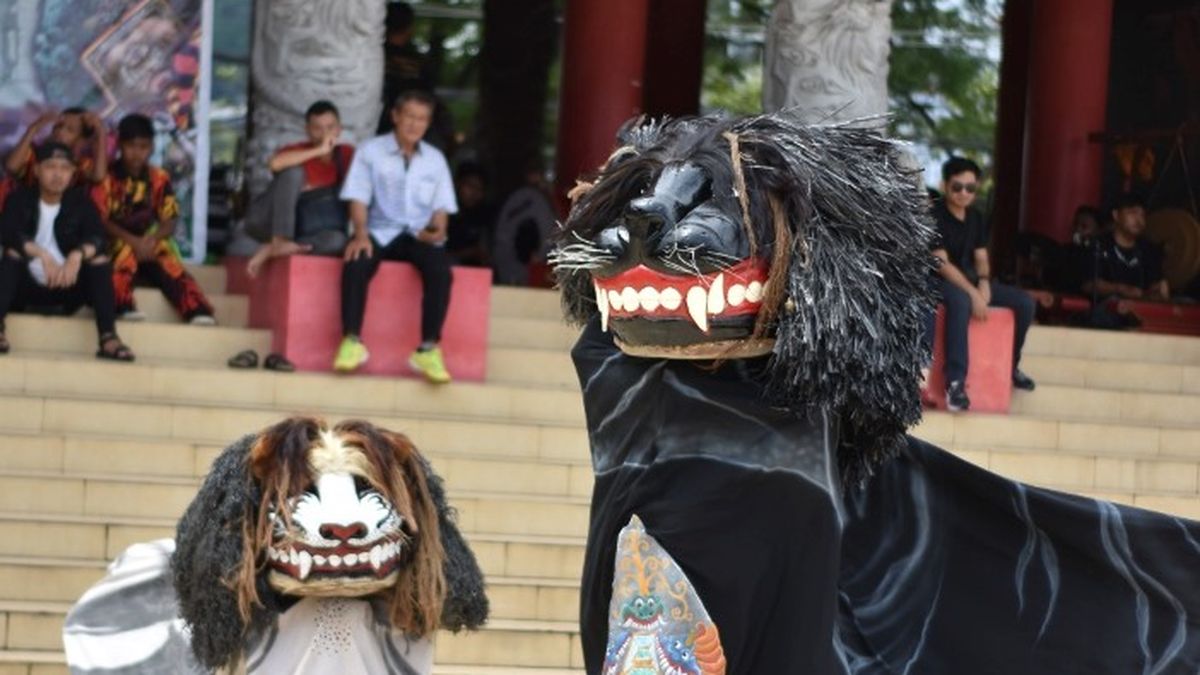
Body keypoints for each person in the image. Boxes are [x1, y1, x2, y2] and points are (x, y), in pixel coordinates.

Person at [335, 90, 457, 382]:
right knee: (357, 261)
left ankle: (428, 348)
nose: (415, 124)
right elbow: (358, 199)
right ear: (395, 116)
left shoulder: (435, 159)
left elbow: (442, 209)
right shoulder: (371, 151)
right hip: (379, 229)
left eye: (422, 119)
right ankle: (351, 341)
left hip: (417, 234)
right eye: (410, 117)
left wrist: (438, 229)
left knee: (442, 271)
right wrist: (360, 234)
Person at [0, 142, 133, 360]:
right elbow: (8, 234)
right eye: (51, 167)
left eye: (64, 168)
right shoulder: (20, 199)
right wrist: (41, 254)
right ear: (36, 170)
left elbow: (98, 238)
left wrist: (77, 254)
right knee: (12, 254)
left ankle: (108, 338)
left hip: (67, 289)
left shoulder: (81, 203)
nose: (57, 174)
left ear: (72, 173)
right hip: (23, 290)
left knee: (99, 260)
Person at [932, 156, 1035, 411]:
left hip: (970, 281)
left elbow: (981, 257)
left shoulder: (976, 217)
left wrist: (985, 283)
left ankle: (1011, 366)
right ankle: (955, 383)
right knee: (961, 300)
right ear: (945, 185)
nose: (964, 193)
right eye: (957, 187)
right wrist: (973, 292)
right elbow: (941, 264)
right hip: (938, 282)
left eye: (970, 188)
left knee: (1024, 303)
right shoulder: (933, 215)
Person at [93, 114, 215, 325]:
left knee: (167, 258)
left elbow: (170, 220)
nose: (137, 153)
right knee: (124, 251)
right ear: (121, 144)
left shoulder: (159, 178)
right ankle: (122, 306)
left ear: (151, 147)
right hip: (112, 242)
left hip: (146, 243)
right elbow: (101, 220)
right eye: (131, 146)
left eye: (143, 146)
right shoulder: (107, 176)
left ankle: (197, 310)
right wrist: (134, 242)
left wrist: (151, 240)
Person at [245, 100, 355, 278]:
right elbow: (275, 164)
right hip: (265, 220)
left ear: (339, 130)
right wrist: (318, 151)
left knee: (338, 242)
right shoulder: (297, 150)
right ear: (308, 130)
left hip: (307, 229)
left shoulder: (346, 154)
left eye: (330, 127)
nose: (324, 133)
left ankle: (274, 249)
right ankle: (281, 240)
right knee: (293, 172)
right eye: (317, 128)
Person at [1083, 192, 1169, 301]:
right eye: (1132, 213)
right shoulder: (1099, 244)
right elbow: (1088, 285)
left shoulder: (1149, 249)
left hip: (1140, 307)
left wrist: (1157, 291)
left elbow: (1154, 283)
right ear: (1116, 215)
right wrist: (1120, 289)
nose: (1138, 220)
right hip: (1106, 308)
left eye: (1142, 215)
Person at [4, 107, 108, 186]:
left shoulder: (79, 166)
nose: (60, 132)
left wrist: (100, 132)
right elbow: (11, 167)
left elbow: (98, 177)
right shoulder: (36, 152)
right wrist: (33, 129)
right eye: (59, 126)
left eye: (70, 130)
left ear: (82, 141)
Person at [445, 162, 494, 267]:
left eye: (480, 189)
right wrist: (468, 253)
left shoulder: (483, 216)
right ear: (457, 184)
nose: (475, 193)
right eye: (470, 186)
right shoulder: (443, 213)